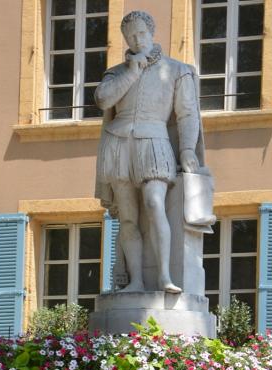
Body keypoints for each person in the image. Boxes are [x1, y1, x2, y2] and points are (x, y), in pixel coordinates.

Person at [94, 10, 206, 294]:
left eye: (141, 33)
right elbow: (103, 99)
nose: (136, 39)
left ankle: (165, 276)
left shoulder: (178, 71)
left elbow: (187, 115)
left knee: (155, 204)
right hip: (119, 144)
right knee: (128, 217)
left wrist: (188, 149)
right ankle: (136, 281)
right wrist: (133, 71)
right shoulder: (116, 73)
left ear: (152, 31)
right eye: (130, 36)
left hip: (155, 141)